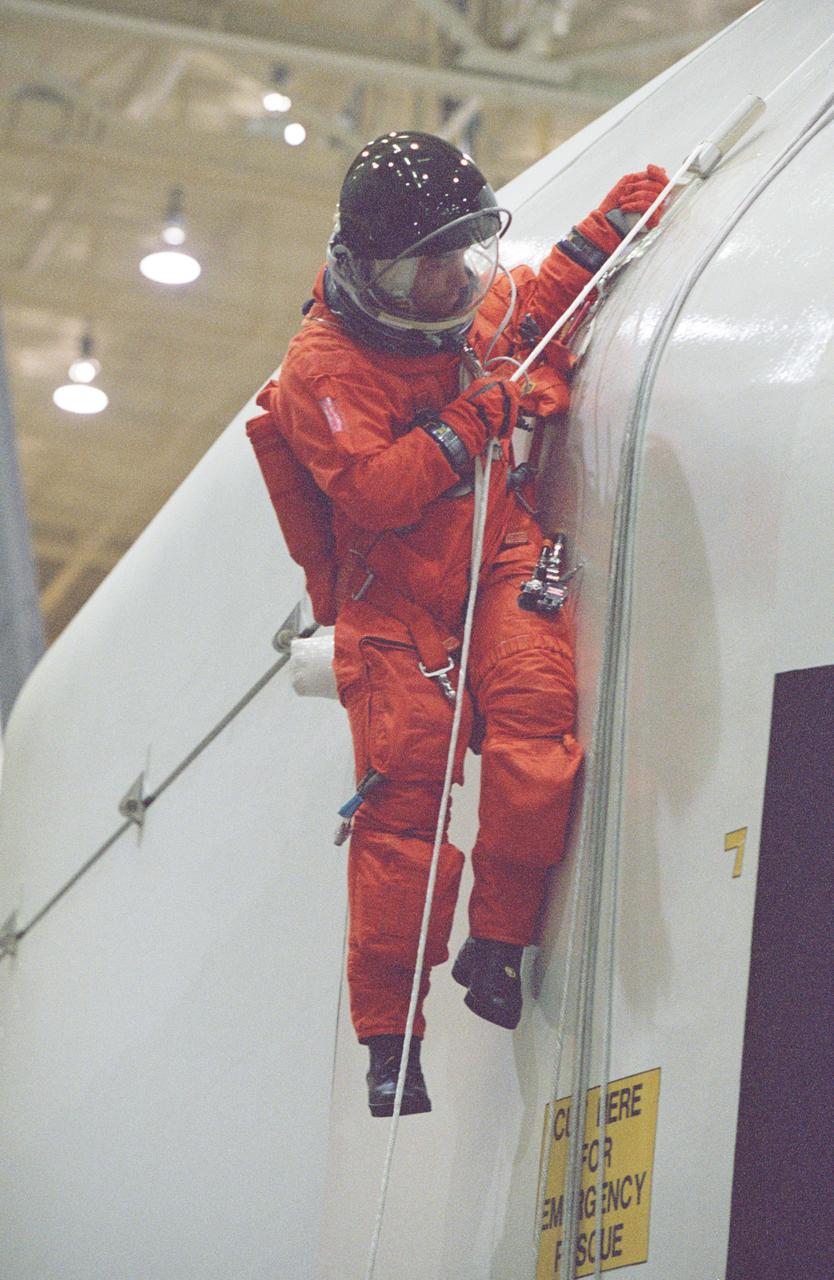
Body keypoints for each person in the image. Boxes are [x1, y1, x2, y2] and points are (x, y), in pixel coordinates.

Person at [247, 132, 667, 1118]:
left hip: (519, 552)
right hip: (391, 597)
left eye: (460, 253)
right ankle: (391, 1039)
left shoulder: (475, 310)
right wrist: (485, 413)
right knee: (403, 816)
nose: (449, 279)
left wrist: (610, 227)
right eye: (427, 262)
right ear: (373, 269)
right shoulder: (323, 368)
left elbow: (544, 298)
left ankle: (500, 941)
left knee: (540, 735)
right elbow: (379, 487)